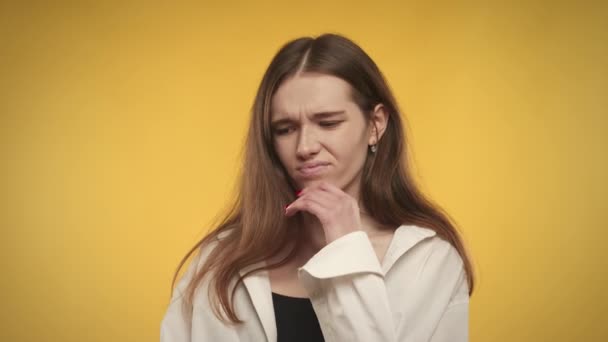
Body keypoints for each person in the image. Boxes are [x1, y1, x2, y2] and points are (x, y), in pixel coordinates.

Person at [160, 33, 475, 342]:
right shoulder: (222, 258)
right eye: (285, 129)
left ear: (376, 125)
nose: (304, 146)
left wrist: (346, 247)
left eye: (328, 123)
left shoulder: (428, 261)